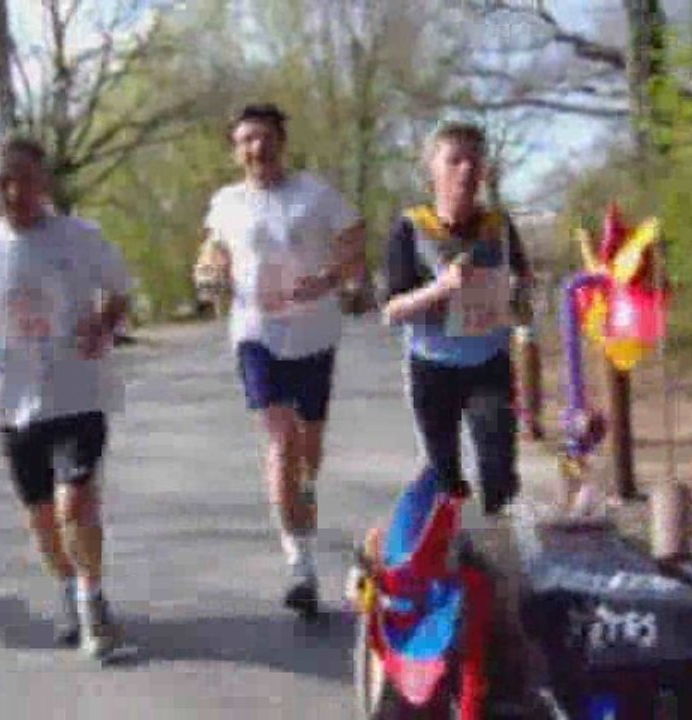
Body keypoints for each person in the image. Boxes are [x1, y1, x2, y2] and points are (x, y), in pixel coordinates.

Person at [0, 136, 132, 658]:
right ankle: (70, 586)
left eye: (26, 178)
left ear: (43, 181)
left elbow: (120, 289)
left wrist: (104, 324)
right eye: (5, 181)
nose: (16, 191)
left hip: (78, 392)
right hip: (14, 400)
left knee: (76, 502)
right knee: (42, 520)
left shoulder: (79, 237)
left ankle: (93, 604)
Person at [194, 104, 366, 618]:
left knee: (308, 451)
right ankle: (300, 565)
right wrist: (208, 273)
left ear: (281, 142)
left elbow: (355, 245)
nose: (256, 148)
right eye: (245, 140)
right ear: (236, 150)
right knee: (281, 441)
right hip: (256, 333)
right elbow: (213, 252)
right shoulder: (227, 202)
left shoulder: (316, 195)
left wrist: (332, 278)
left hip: (314, 334)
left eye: (265, 138)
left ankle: (304, 520)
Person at [382, 122, 532, 515]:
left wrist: (517, 291)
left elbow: (525, 288)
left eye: (474, 160)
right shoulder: (411, 228)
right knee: (444, 475)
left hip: (489, 364)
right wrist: (442, 288)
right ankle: (456, 552)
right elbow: (391, 310)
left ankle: (501, 546)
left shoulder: (499, 227)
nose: (465, 170)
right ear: (433, 169)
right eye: (454, 160)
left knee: (498, 466)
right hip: (433, 366)